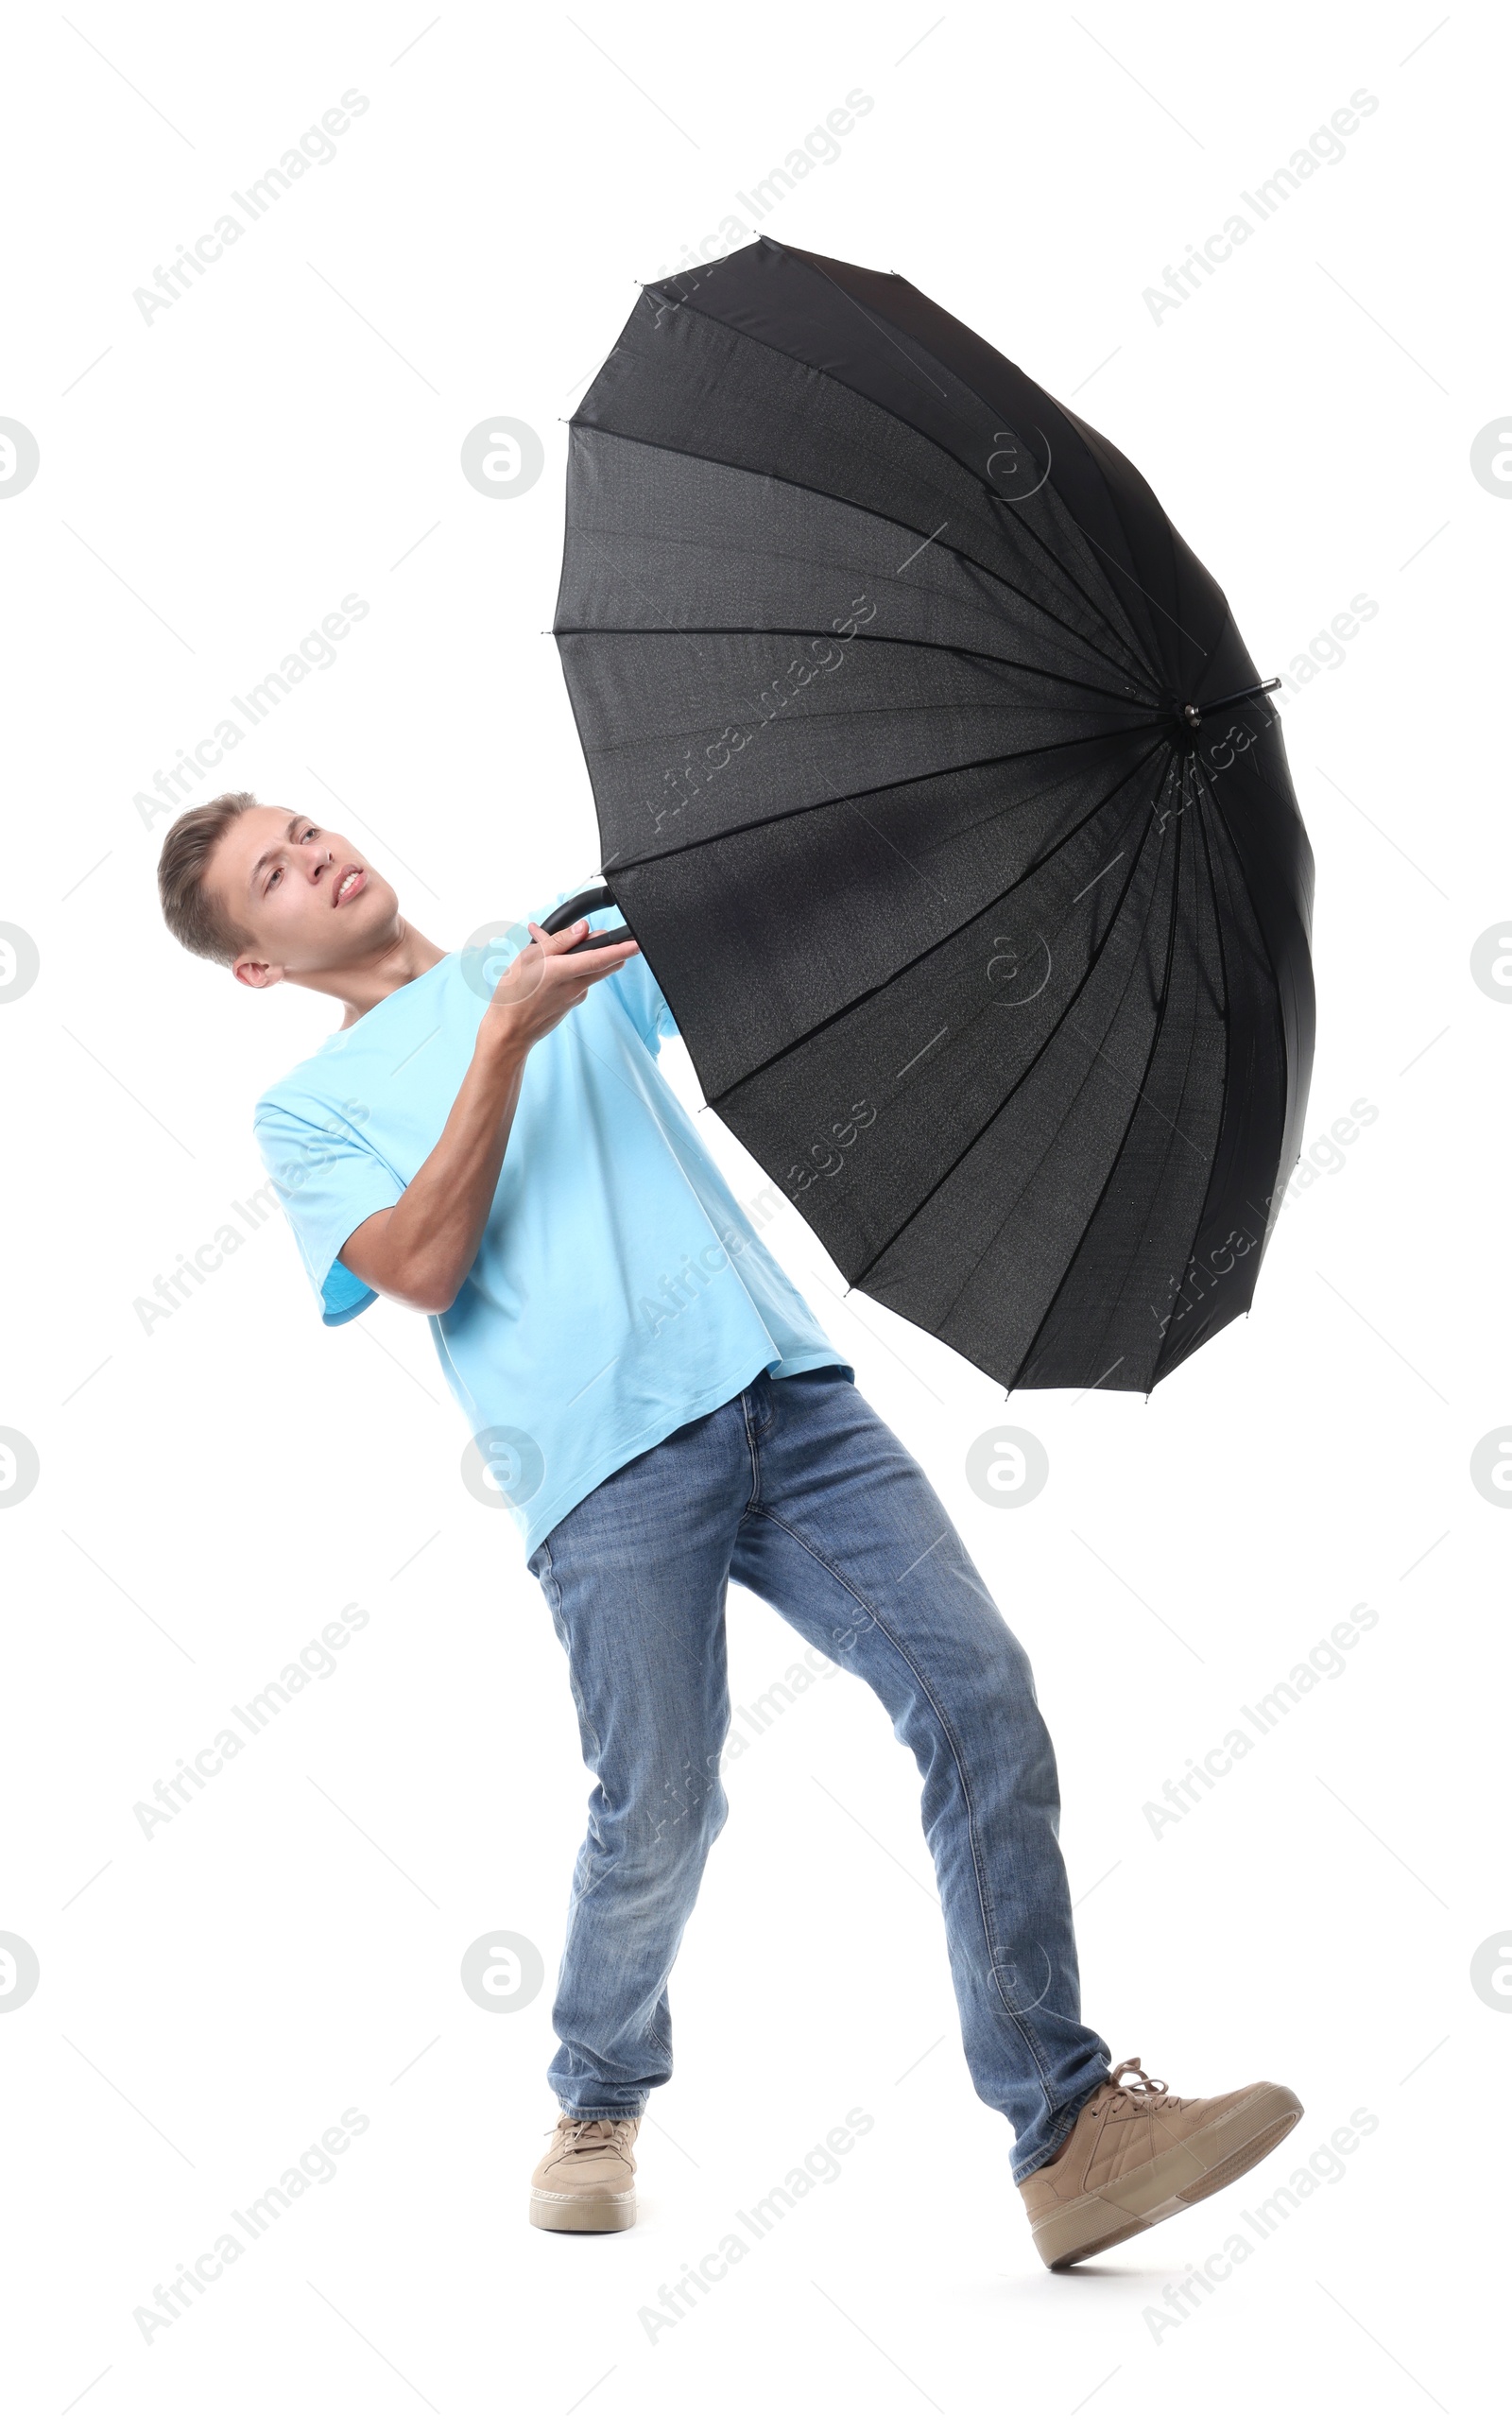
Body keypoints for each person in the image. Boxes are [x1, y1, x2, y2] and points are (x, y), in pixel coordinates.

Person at [155, 789, 1303, 2268]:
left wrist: (1012, 824)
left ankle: (1067, 2132)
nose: (317, 854)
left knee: (980, 1696)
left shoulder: (541, 943)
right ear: (260, 965)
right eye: (277, 874)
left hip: (789, 1395)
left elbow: (764, 902)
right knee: (663, 1801)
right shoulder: (309, 1110)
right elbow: (426, 1266)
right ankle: (598, 2096)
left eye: (307, 828)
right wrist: (502, 1033)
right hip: (602, 1466)